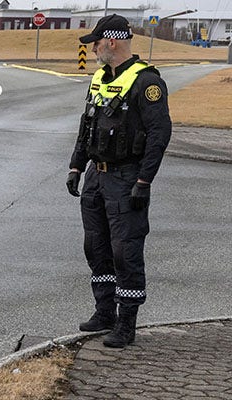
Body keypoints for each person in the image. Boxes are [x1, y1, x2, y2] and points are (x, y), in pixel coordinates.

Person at [66, 14, 172, 348]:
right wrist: (76, 167)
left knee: (125, 251)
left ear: (111, 42)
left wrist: (144, 180)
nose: (93, 49)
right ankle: (104, 312)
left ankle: (126, 325)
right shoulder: (100, 78)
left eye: (95, 43)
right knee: (95, 247)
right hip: (97, 176)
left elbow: (159, 134)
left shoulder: (146, 82)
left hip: (127, 177)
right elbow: (88, 125)